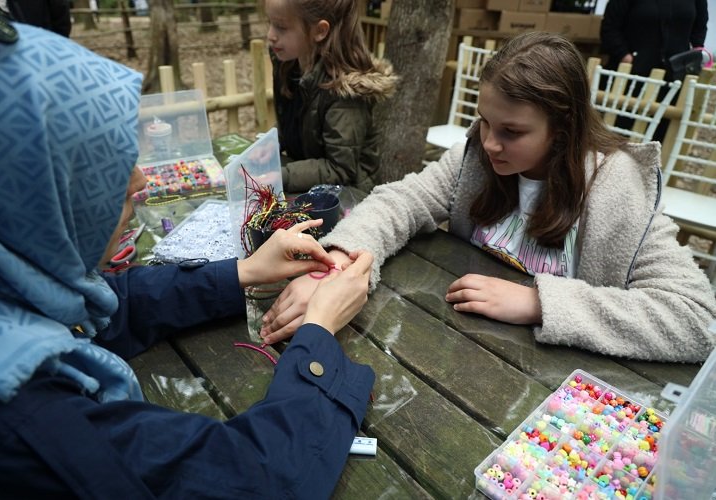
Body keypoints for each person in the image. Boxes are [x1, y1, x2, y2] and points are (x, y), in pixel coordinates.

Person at [0, 17, 376, 498]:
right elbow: (254, 478)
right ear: (28, 197)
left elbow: (110, 307)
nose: (141, 183)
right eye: (108, 168)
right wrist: (319, 332)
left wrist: (244, 272)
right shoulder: (20, 420)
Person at [259, 31, 716, 363]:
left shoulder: (620, 193)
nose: (490, 142)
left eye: (512, 132)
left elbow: (696, 320)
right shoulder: (475, 157)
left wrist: (540, 302)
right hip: (459, 361)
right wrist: (338, 266)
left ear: (563, 129)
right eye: (484, 121)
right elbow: (401, 201)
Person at [266, 0, 397, 194]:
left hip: (348, 201)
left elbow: (340, 169)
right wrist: (271, 144)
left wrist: (283, 176)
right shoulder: (290, 66)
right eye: (269, 23)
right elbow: (297, 124)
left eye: (281, 27)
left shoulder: (345, 94)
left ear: (319, 31)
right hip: (310, 189)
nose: (270, 35)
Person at [600, 0, 709, 141]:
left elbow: (699, 30)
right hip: (631, 80)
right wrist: (625, 56)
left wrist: (694, 57)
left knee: (660, 138)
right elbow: (609, 28)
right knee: (620, 136)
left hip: (673, 81)